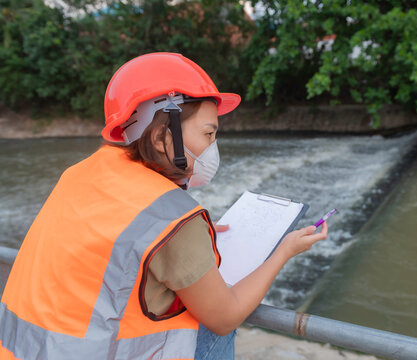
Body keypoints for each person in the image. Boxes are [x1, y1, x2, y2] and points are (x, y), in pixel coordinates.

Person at [0, 52, 328, 360]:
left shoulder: (80, 174)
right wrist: (284, 251)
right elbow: (225, 317)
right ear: (160, 137)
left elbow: (110, 238)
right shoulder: (172, 217)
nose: (213, 147)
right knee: (210, 321)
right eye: (208, 133)